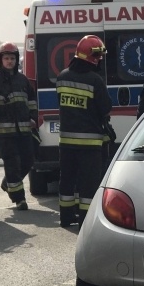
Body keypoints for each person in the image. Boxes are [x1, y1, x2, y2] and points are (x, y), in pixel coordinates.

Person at [56, 35, 112, 228]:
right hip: (90, 144)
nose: (100, 60)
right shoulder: (95, 80)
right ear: (90, 56)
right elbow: (105, 108)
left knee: (67, 180)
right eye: (97, 56)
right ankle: (85, 222)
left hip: (66, 142)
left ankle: (65, 217)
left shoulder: (62, 77)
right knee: (88, 184)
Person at [0, 41, 37, 210]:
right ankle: (19, 199)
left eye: (12, 58)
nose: (9, 61)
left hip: (24, 130)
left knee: (28, 161)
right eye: (6, 58)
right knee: (12, 164)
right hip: (4, 133)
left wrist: (32, 118)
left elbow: (32, 101)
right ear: (0, 59)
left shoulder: (23, 80)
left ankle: (8, 183)